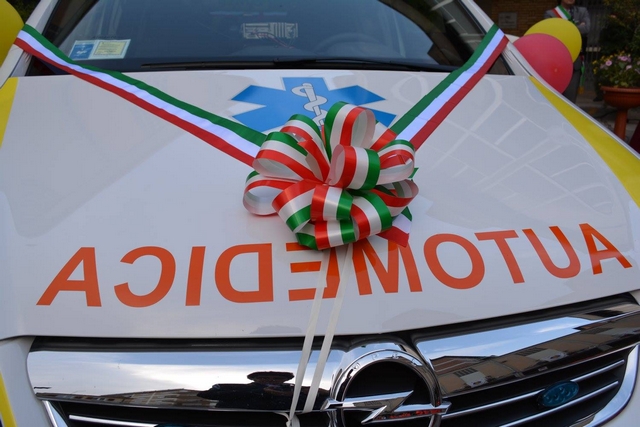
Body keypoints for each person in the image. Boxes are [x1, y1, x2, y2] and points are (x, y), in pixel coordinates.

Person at [544, 0, 590, 103]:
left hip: (575, 60)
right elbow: (552, 32)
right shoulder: (550, 14)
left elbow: (586, 29)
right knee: (555, 98)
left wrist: (565, 28)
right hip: (557, 60)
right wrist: (577, 26)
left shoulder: (582, 11)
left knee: (570, 99)